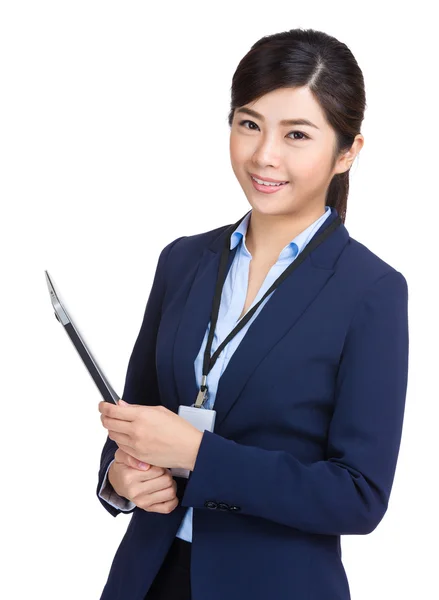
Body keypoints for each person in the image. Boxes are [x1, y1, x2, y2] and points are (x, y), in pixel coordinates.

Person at [96, 27, 409, 600]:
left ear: (347, 152)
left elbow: (359, 495)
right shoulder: (182, 260)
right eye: (249, 124)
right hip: (147, 579)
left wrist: (199, 456)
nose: (264, 155)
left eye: (296, 134)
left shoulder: (371, 291)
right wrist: (120, 479)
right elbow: (138, 418)